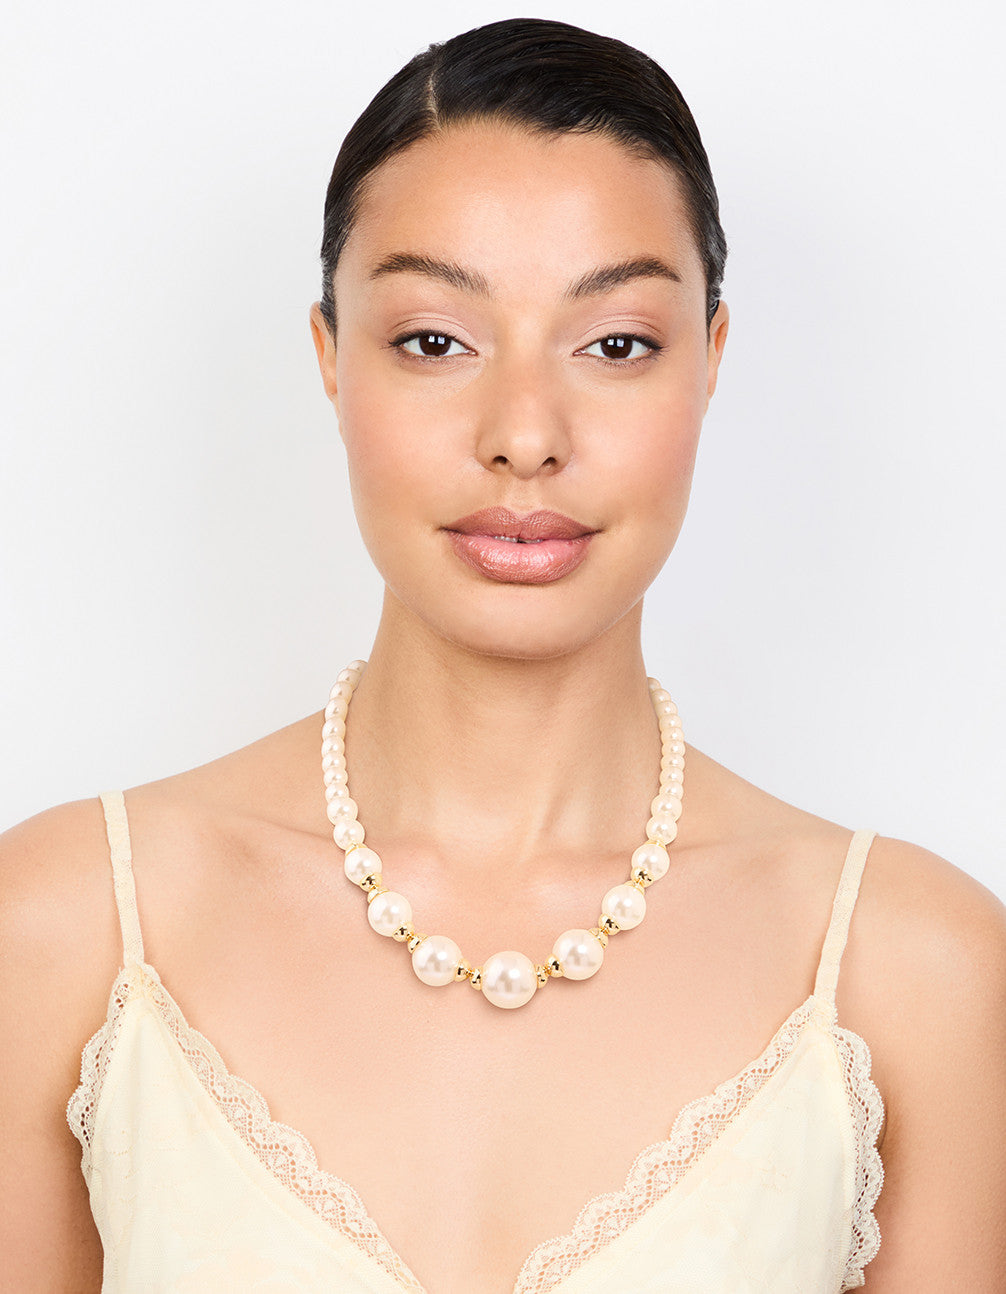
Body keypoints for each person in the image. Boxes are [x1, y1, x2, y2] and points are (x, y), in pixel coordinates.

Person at [2, 16, 1004, 1293]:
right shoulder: (70, 928)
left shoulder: (908, 969)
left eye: (615, 343)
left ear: (709, 359)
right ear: (330, 357)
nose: (524, 434)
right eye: (434, 339)